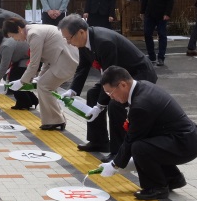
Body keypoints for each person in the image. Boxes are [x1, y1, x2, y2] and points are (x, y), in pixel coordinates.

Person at [98, 66, 197, 201]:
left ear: (123, 85)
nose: (112, 97)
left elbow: (132, 138)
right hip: (182, 138)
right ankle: (173, 178)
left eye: (111, 93)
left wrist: (115, 164)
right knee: (147, 143)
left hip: (184, 143)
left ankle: (156, 187)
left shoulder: (141, 104)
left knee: (139, 147)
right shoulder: (142, 86)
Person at [58, 14, 157, 162]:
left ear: (81, 32)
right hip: (118, 73)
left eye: (69, 38)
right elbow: (83, 67)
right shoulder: (84, 41)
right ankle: (99, 141)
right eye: (65, 39)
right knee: (92, 93)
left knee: (115, 105)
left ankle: (118, 152)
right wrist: (72, 91)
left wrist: (99, 106)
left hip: (138, 73)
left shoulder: (104, 42)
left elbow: (112, 76)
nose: (68, 42)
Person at [2, 17, 79, 130]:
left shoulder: (34, 34)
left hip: (65, 59)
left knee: (44, 86)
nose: (15, 39)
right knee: (45, 85)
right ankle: (56, 119)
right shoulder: (33, 31)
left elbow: (34, 63)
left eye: (13, 36)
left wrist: (22, 81)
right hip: (61, 59)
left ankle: (56, 120)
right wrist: (39, 77)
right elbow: (45, 58)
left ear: (19, 29)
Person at [0, 26, 39, 110]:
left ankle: (24, 102)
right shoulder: (3, 42)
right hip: (22, 58)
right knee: (16, 79)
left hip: (27, 59)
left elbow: (4, 67)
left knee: (14, 79)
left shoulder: (5, 46)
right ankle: (32, 100)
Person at [140, 0, 174, 66]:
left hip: (161, 13)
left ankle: (161, 57)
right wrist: (142, 11)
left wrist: (167, 13)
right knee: (147, 33)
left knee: (162, 35)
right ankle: (151, 56)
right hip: (149, 12)